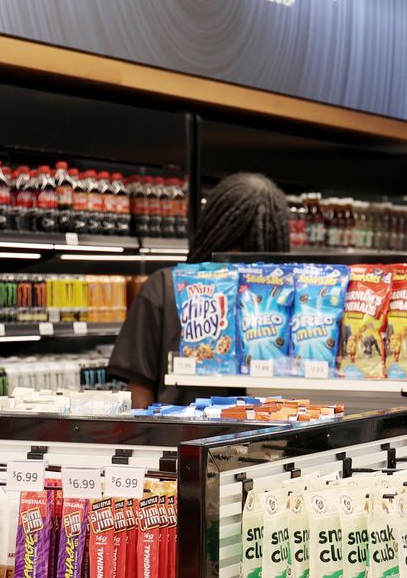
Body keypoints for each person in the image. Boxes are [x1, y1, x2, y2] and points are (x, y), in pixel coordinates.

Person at [108, 172, 291, 406]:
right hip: (268, 439)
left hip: (177, 440)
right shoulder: (286, 296)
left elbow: (139, 394)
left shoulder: (162, 287)